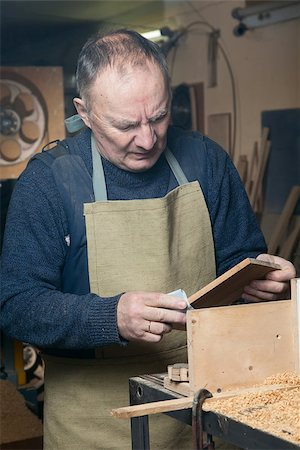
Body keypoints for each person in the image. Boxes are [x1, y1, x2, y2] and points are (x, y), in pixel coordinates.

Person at [1, 29, 295, 450]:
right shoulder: (48, 182)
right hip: (95, 424)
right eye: (125, 125)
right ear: (84, 112)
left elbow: (240, 260)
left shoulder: (205, 161)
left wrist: (262, 282)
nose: (147, 139)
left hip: (203, 411)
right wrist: (111, 317)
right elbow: (15, 304)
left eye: (158, 117)